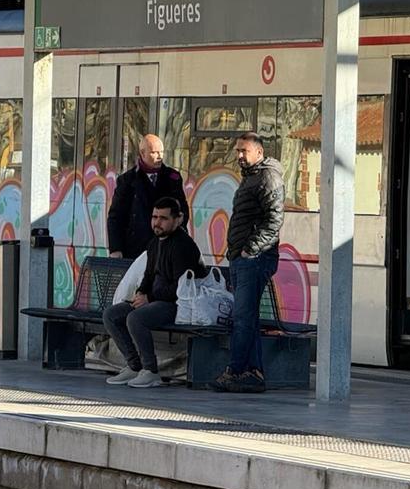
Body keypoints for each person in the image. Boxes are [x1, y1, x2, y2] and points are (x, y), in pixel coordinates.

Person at [103, 197, 203, 388]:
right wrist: (141, 293)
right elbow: (148, 275)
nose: (157, 222)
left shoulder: (183, 246)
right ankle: (134, 366)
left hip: (177, 305)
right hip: (154, 300)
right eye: (154, 217)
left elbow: (180, 287)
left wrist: (149, 298)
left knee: (136, 318)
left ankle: (150, 371)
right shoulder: (155, 243)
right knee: (112, 314)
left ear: (178, 219)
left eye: (163, 218)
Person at [213, 132, 285, 394]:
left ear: (259, 152)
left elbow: (274, 220)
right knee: (248, 318)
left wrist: (249, 250)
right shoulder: (253, 178)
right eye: (237, 151)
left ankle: (235, 370)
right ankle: (253, 373)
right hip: (244, 257)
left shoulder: (267, 177)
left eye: (244, 151)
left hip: (254, 259)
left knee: (243, 318)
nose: (239, 156)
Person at [107, 134, 189, 260]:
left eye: (161, 152)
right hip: (135, 249)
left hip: (166, 247)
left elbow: (182, 210)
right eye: (154, 153)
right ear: (143, 153)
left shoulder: (172, 177)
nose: (159, 157)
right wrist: (116, 249)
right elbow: (115, 217)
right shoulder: (127, 180)